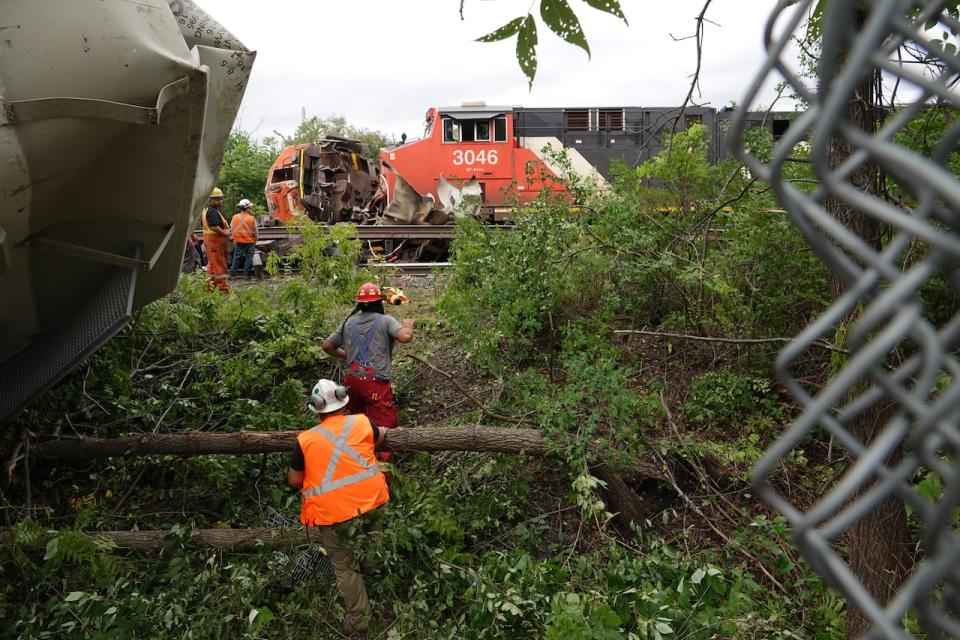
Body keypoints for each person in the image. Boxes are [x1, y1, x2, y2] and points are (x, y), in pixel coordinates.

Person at [287, 379, 389, 639]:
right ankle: (375, 575)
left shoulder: (305, 440)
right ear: (344, 399)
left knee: (344, 567)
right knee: (371, 541)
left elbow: (295, 481)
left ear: (316, 408)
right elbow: (379, 436)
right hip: (372, 500)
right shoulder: (363, 422)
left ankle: (360, 623)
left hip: (332, 514)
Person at [322, 283, 413, 461]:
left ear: (359, 304)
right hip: (375, 386)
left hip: (351, 384)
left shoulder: (348, 322)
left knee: (357, 429)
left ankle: (357, 465)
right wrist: (408, 326)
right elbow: (405, 337)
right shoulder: (386, 320)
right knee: (382, 432)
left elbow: (327, 346)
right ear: (379, 302)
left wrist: (346, 356)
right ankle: (382, 477)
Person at [201, 187, 230, 292]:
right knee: (220, 265)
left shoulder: (206, 210)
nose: (219, 201)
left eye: (220, 199)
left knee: (212, 266)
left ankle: (209, 288)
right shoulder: (212, 211)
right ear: (210, 200)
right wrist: (225, 232)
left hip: (211, 242)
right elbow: (214, 226)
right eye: (216, 199)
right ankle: (223, 289)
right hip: (215, 242)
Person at [229, 198, 258, 278]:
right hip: (250, 241)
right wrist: (256, 239)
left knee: (236, 258)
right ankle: (246, 275)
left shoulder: (234, 217)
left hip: (238, 241)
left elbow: (231, 228)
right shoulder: (251, 218)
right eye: (250, 207)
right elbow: (256, 231)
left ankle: (233, 275)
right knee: (249, 258)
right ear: (247, 208)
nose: (251, 209)